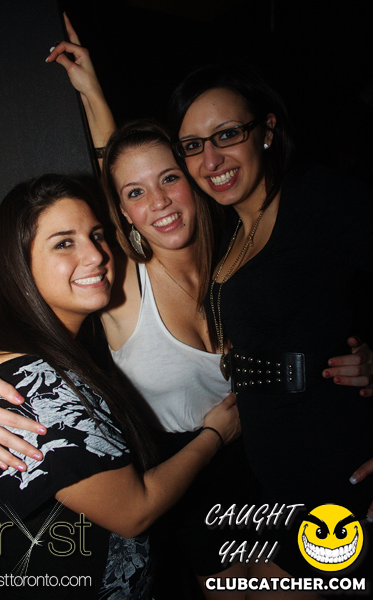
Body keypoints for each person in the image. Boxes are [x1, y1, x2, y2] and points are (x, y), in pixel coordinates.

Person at [0, 14, 373, 596]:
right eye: (135, 195)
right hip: (187, 490)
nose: (157, 202)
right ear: (123, 212)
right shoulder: (113, 278)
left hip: (276, 467)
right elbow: (6, 304)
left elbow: (319, 305)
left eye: (171, 178)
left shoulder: (237, 255)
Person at [0, 173, 241, 600]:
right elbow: (134, 511)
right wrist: (216, 434)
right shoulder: (37, 386)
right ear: (19, 263)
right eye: (64, 243)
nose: (96, 255)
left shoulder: (36, 347)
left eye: (96, 235)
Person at [168, 62, 373, 586]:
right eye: (192, 145)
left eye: (227, 135)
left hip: (334, 467)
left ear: (267, 130)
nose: (210, 160)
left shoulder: (316, 196)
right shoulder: (227, 231)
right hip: (269, 477)